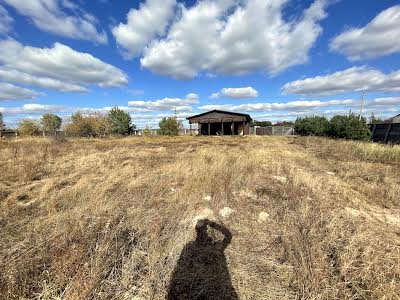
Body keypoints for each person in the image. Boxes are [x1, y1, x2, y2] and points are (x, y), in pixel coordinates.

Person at [167, 219, 238, 300]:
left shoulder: (190, 247)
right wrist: (212, 224)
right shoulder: (215, 247)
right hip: (212, 285)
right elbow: (228, 236)